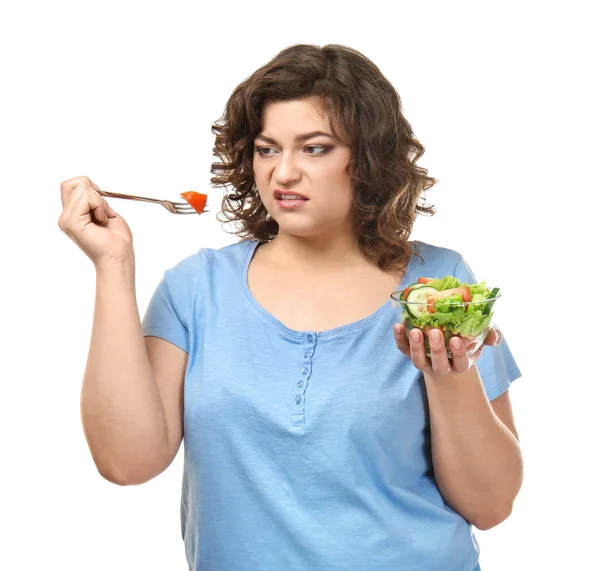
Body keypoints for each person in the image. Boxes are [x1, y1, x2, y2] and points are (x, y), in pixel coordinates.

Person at [58, 44, 523, 571]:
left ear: (366, 159)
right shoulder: (196, 288)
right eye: (266, 149)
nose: (283, 173)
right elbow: (126, 462)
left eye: (315, 148)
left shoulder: (438, 288)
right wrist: (113, 266)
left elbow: (491, 505)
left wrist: (449, 373)